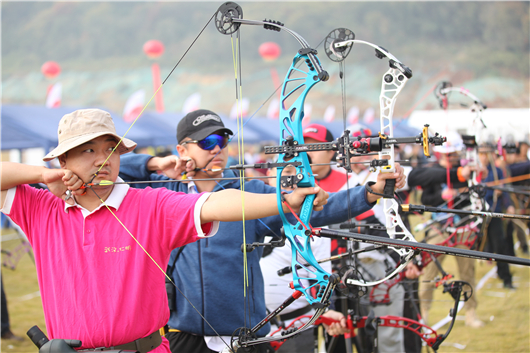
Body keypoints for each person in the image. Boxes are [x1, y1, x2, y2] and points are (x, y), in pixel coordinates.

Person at [0, 109, 329, 353]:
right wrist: (42, 176)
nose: (103, 160)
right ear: (63, 161)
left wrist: (283, 200)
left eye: (110, 149)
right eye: (88, 150)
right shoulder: (42, 208)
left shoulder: (150, 205)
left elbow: (215, 203)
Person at [119, 110, 406, 353]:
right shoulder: (165, 192)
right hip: (185, 336)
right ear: (182, 150)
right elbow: (107, 174)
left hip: (247, 336)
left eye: (222, 140)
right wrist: (155, 163)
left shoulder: (251, 193)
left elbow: (312, 209)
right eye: (206, 142)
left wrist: (370, 192)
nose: (217, 149)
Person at [408, 131, 485, 328]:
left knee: (467, 272)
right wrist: (442, 196)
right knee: (428, 272)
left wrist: (467, 186)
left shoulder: (466, 171)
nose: (450, 158)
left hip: (462, 228)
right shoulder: (431, 172)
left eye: (453, 154)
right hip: (438, 228)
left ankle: (471, 312)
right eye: (446, 154)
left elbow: (474, 199)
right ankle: (423, 314)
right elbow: (426, 200)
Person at [477, 143, 516, 289]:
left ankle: (506, 278)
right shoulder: (476, 172)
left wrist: (509, 204)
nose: (484, 157)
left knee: (500, 245)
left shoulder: (497, 171)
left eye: (486, 154)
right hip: (479, 214)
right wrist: (491, 193)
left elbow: (504, 191)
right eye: (481, 154)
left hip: (495, 212)